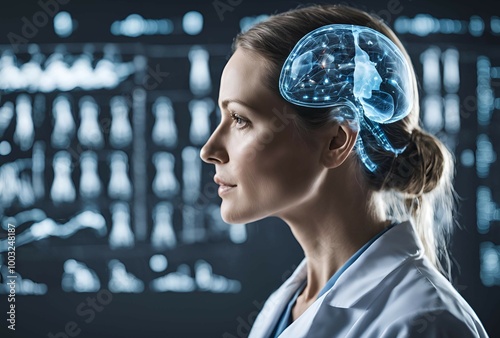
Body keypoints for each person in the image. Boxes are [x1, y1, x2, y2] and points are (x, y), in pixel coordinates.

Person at [200, 3, 489, 338]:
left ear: (336, 141)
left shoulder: (425, 322)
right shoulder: (287, 306)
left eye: (240, 119)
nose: (209, 151)